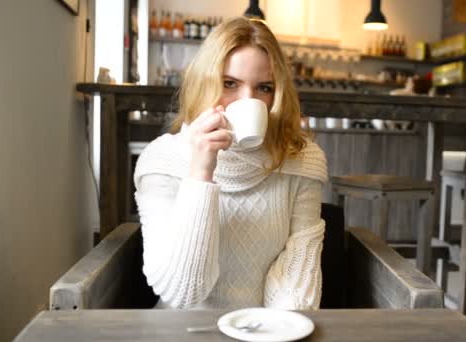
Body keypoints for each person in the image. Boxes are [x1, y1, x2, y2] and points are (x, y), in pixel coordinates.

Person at [133, 17, 328, 310]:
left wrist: (274, 331)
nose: (248, 100)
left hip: (266, 331)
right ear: (204, 82)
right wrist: (201, 171)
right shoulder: (162, 161)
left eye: (264, 88)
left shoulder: (301, 161)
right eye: (229, 83)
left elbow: (296, 285)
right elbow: (183, 294)